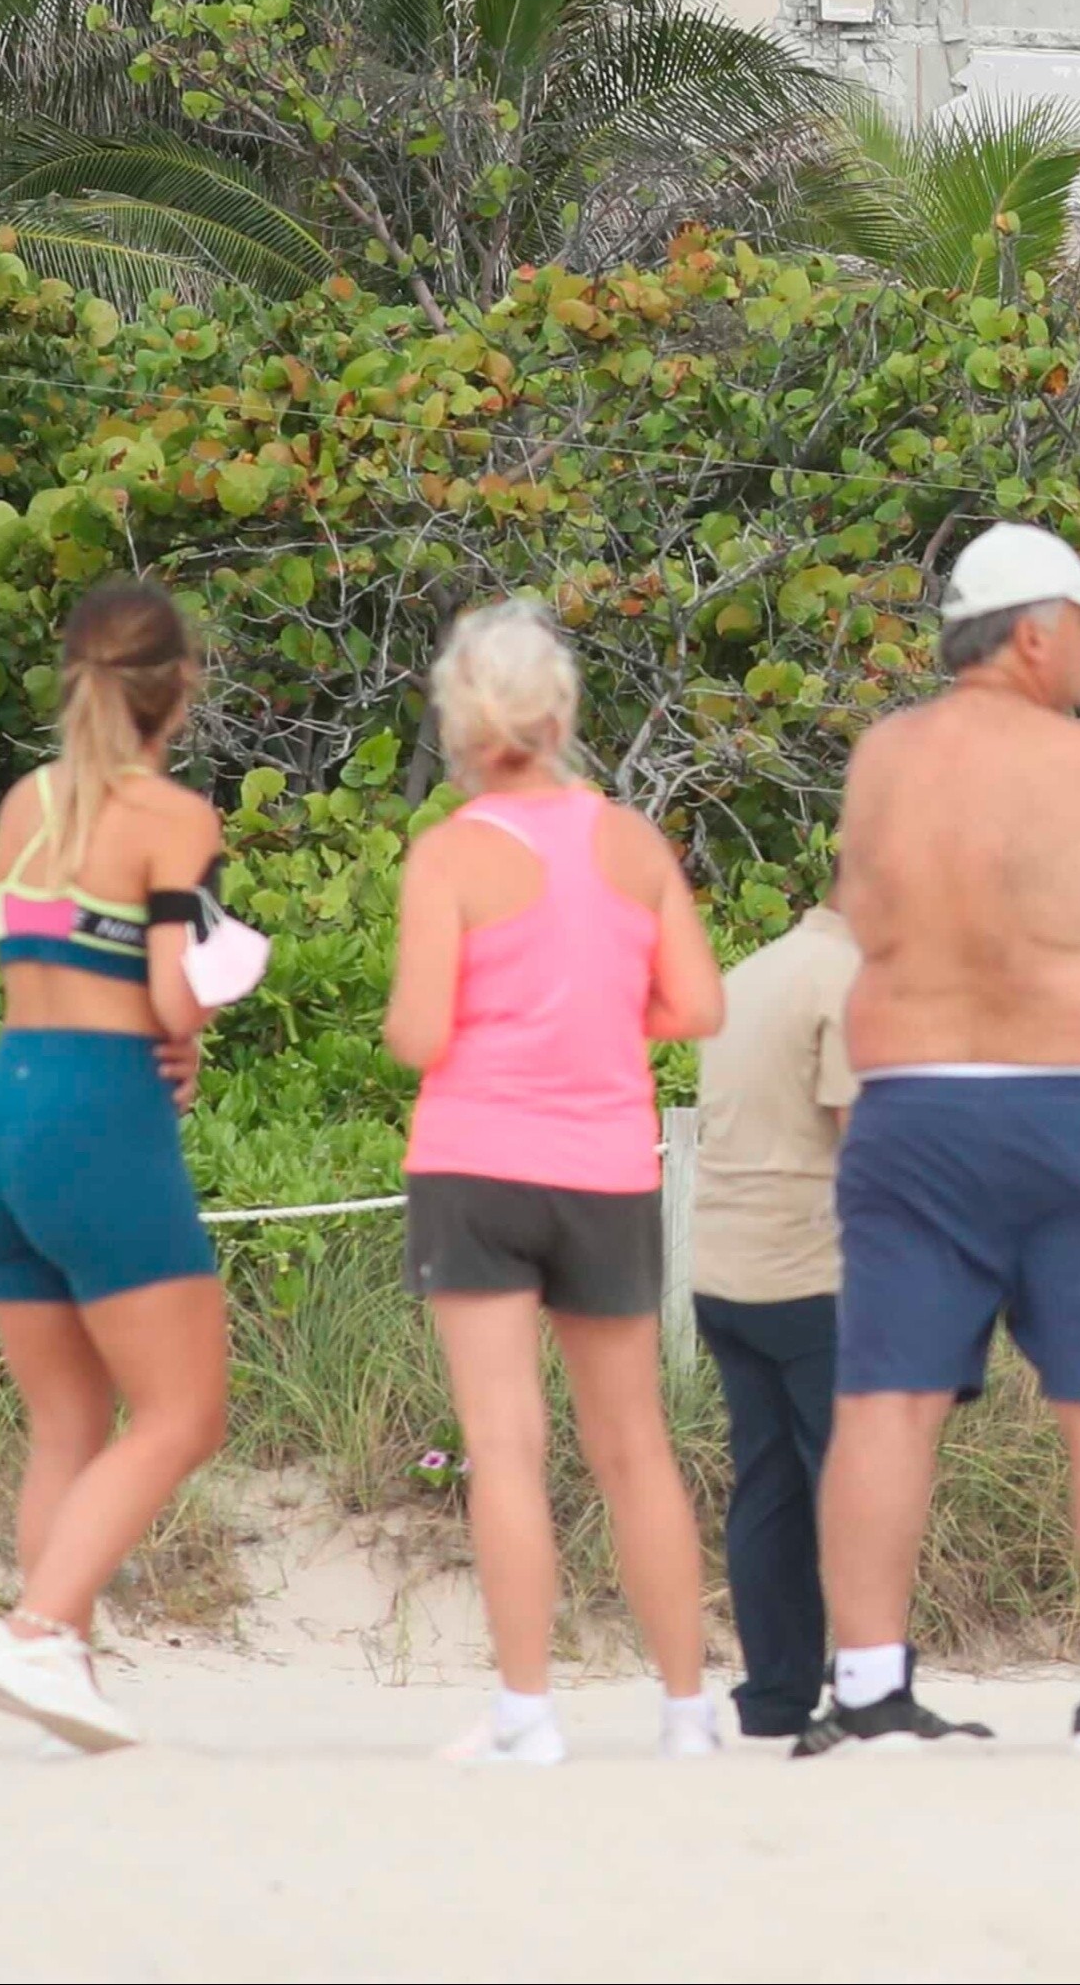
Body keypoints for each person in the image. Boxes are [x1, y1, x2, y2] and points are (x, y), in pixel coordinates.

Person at [805, 522, 1080, 1757]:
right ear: (1030, 632)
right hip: (1074, 1096)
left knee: (886, 1394)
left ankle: (866, 1686)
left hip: (912, 1096)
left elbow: (864, 903)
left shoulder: (882, 757)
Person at [386, 598, 731, 1765]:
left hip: (477, 1157)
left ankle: (527, 1709)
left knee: (506, 1438)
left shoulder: (450, 853)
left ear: (458, 723)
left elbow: (420, 1030)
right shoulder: (631, 841)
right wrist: (597, 1013)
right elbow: (698, 1005)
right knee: (632, 1439)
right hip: (603, 1163)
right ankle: (687, 1708)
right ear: (562, 710)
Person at [0, 577, 234, 1752]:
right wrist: (199, 1020)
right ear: (184, 686)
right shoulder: (175, 816)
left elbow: (42, 944)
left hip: (0, 1112)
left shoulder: (25, 803)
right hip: (98, 1112)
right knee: (182, 1411)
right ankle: (38, 1626)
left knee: (68, 1415)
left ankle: (60, 1659)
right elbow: (173, 987)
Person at [691, 890, 862, 1746]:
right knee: (858, 1481)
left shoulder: (748, 974)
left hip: (724, 1267)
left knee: (767, 1483)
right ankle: (867, 1683)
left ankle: (774, 1695)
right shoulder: (848, 979)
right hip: (812, 1267)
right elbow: (860, 1131)